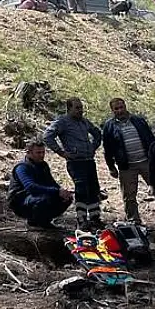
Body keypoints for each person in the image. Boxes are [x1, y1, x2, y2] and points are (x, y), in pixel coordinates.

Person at [102, 98, 155, 225]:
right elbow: (107, 148)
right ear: (112, 110)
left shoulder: (138, 120)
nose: (120, 110)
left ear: (125, 106)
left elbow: (150, 139)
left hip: (147, 162)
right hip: (126, 166)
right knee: (129, 196)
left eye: (121, 107)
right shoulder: (109, 126)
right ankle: (134, 220)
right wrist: (111, 167)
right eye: (116, 109)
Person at [43, 97, 104, 228]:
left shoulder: (84, 122)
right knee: (81, 189)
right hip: (76, 162)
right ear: (69, 108)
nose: (80, 110)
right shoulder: (63, 122)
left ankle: (95, 217)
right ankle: (81, 219)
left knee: (93, 189)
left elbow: (97, 133)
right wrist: (61, 152)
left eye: (81, 107)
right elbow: (47, 136)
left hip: (89, 160)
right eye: (77, 108)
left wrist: (93, 146)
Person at [8, 140, 74, 230]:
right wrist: (56, 191)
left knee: (66, 198)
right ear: (29, 153)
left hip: (35, 197)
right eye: (38, 153)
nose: (41, 155)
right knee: (45, 199)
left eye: (43, 152)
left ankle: (44, 221)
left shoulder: (43, 165)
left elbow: (51, 183)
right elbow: (31, 187)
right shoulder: (22, 167)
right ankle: (33, 221)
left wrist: (63, 192)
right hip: (20, 201)